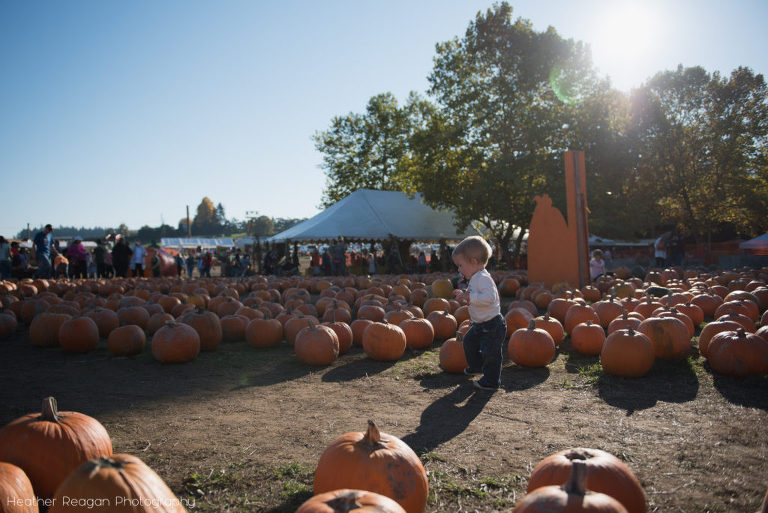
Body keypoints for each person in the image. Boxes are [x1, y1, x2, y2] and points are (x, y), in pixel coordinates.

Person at [451, 236, 506, 392]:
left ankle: (491, 381)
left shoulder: (483, 278)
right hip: (479, 324)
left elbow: (490, 298)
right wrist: (464, 294)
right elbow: (475, 296)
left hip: (492, 325)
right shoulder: (475, 278)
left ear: (474, 261)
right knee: (469, 342)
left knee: (491, 354)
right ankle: (477, 366)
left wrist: (470, 297)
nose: (459, 270)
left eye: (461, 265)